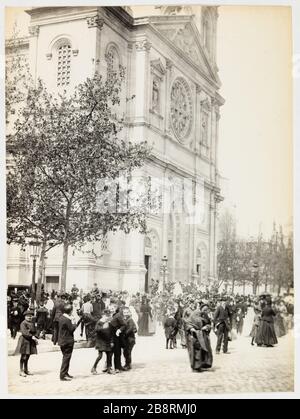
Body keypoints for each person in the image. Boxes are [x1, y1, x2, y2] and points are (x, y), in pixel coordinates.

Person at [185, 303, 213, 372]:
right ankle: (196, 366)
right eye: (204, 310)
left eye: (207, 310)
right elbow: (188, 323)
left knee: (205, 349)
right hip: (195, 335)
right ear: (201, 309)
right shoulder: (193, 315)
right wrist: (191, 328)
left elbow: (209, 324)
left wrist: (206, 327)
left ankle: (204, 364)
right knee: (197, 350)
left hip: (203, 335)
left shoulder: (205, 315)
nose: (206, 311)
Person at [14, 310, 38, 377]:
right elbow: (24, 332)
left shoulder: (32, 323)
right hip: (24, 341)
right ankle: (21, 370)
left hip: (30, 341)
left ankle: (26, 370)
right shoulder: (23, 323)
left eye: (30, 316)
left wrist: (37, 336)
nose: (29, 317)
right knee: (23, 356)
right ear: (25, 317)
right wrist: (31, 336)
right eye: (28, 316)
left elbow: (34, 331)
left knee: (28, 356)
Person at [91, 309, 114, 375]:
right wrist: (103, 327)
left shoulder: (110, 323)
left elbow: (112, 333)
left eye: (108, 316)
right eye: (106, 316)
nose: (107, 317)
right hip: (101, 341)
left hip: (108, 341)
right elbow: (96, 330)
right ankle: (94, 368)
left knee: (109, 355)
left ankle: (109, 368)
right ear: (103, 315)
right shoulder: (99, 322)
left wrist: (112, 341)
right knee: (100, 356)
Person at [58, 304, 77, 381]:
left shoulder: (62, 317)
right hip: (67, 341)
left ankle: (65, 373)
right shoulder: (67, 319)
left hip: (63, 340)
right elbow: (72, 329)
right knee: (66, 358)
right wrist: (74, 322)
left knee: (66, 357)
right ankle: (63, 375)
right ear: (70, 311)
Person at [109, 302, 126, 373]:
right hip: (110, 336)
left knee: (117, 352)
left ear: (116, 309)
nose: (111, 310)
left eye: (113, 308)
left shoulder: (118, 315)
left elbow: (124, 325)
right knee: (112, 352)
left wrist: (119, 330)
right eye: (110, 308)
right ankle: (110, 367)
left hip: (116, 336)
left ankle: (117, 367)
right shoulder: (110, 315)